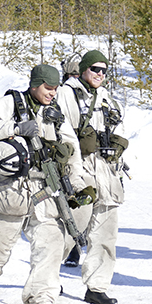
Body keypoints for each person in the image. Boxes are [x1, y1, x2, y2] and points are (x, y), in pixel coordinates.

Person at [0, 64, 91, 304]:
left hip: (45, 190)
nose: (53, 93)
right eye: (48, 88)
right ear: (35, 85)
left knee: (51, 242)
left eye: (56, 89)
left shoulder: (55, 112)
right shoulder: (10, 103)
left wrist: (77, 182)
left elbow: (72, 150)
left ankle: (41, 300)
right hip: (11, 189)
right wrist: (15, 129)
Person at [57, 50, 129, 304]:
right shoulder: (67, 93)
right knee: (69, 230)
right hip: (80, 170)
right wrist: (77, 152)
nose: (100, 74)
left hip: (107, 172)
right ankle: (49, 277)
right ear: (84, 69)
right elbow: (61, 131)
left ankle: (97, 286)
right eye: (95, 69)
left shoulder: (107, 98)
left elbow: (118, 125)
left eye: (104, 70)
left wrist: (119, 142)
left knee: (106, 235)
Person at [60, 52, 84, 268]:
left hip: (81, 153)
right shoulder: (66, 93)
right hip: (73, 152)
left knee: (77, 202)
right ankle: (73, 247)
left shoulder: (73, 92)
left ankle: (74, 247)